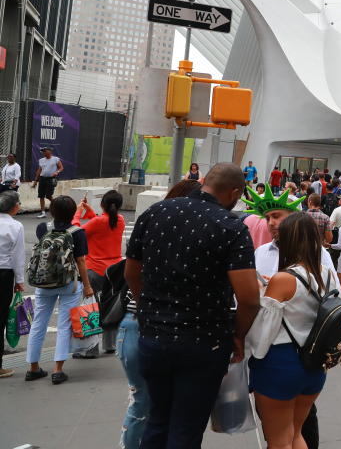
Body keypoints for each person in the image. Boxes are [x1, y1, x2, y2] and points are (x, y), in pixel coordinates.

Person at [125, 163, 260, 448]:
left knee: (157, 420)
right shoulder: (231, 226)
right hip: (204, 342)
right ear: (235, 191)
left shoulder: (154, 213)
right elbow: (249, 298)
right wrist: (237, 335)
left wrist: (147, 312)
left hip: (154, 338)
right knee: (186, 429)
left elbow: (131, 273)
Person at [116, 180, 197, 448]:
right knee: (151, 404)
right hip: (150, 326)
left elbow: (131, 273)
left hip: (134, 324)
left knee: (144, 402)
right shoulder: (187, 239)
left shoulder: (150, 227)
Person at [247, 213, 332, 449]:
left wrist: (260, 292)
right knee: (295, 433)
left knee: (278, 440)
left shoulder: (283, 278)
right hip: (314, 363)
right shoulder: (326, 273)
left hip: (279, 364)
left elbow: (262, 334)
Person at [25, 195, 95, 384]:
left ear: (51, 211)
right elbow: (81, 261)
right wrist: (87, 286)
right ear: (73, 213)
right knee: (65, 325)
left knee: (39, 322)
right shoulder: (77, 232)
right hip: (69, 284)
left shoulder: (42, 228)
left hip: (44, 282)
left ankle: (33, 368)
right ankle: (57, 370)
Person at [70, 190, 125, 358]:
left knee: (91, 308)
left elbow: (76, 232)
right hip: (115, 271)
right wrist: (91, 212)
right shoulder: (120, 220)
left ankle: (90, 349)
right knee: (111, 307)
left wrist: (79, 212)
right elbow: (101, 223)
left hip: (95, 270)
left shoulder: (99, 222)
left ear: (103, 205)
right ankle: (110, 344)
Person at [0, 191, 24, 378]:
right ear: (14, 207)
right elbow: (18, 257)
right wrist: (20, 281)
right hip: (4, 274)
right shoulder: (15, 226)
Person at [32, 146, 63, 218]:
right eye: (43, 151)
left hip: (51, 179)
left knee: (49, 195)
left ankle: (57, 206)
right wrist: (36, 181)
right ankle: (43, 213)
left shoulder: (55, 159)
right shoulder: (41, 160)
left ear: (50, 151)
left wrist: (57, 172)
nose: (43, 152)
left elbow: (61, 167)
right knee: (41, 196)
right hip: (42, 179)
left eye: (45, 151)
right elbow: (39, 170)